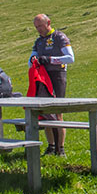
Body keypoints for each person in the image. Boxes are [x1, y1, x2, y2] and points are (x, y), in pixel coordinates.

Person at [29, 13, 75, 156]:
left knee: (57, 112)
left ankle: (60, 149)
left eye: (40, 26)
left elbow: (70, 58)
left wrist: (50, 59)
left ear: (48, 22)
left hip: (57, 76)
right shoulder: (39, 41)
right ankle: (51, 146)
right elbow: (30, 59)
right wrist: (34, 59)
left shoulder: (59, 37)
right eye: (36, 27)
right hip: (43, 78)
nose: (39, 29)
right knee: (45, 112)